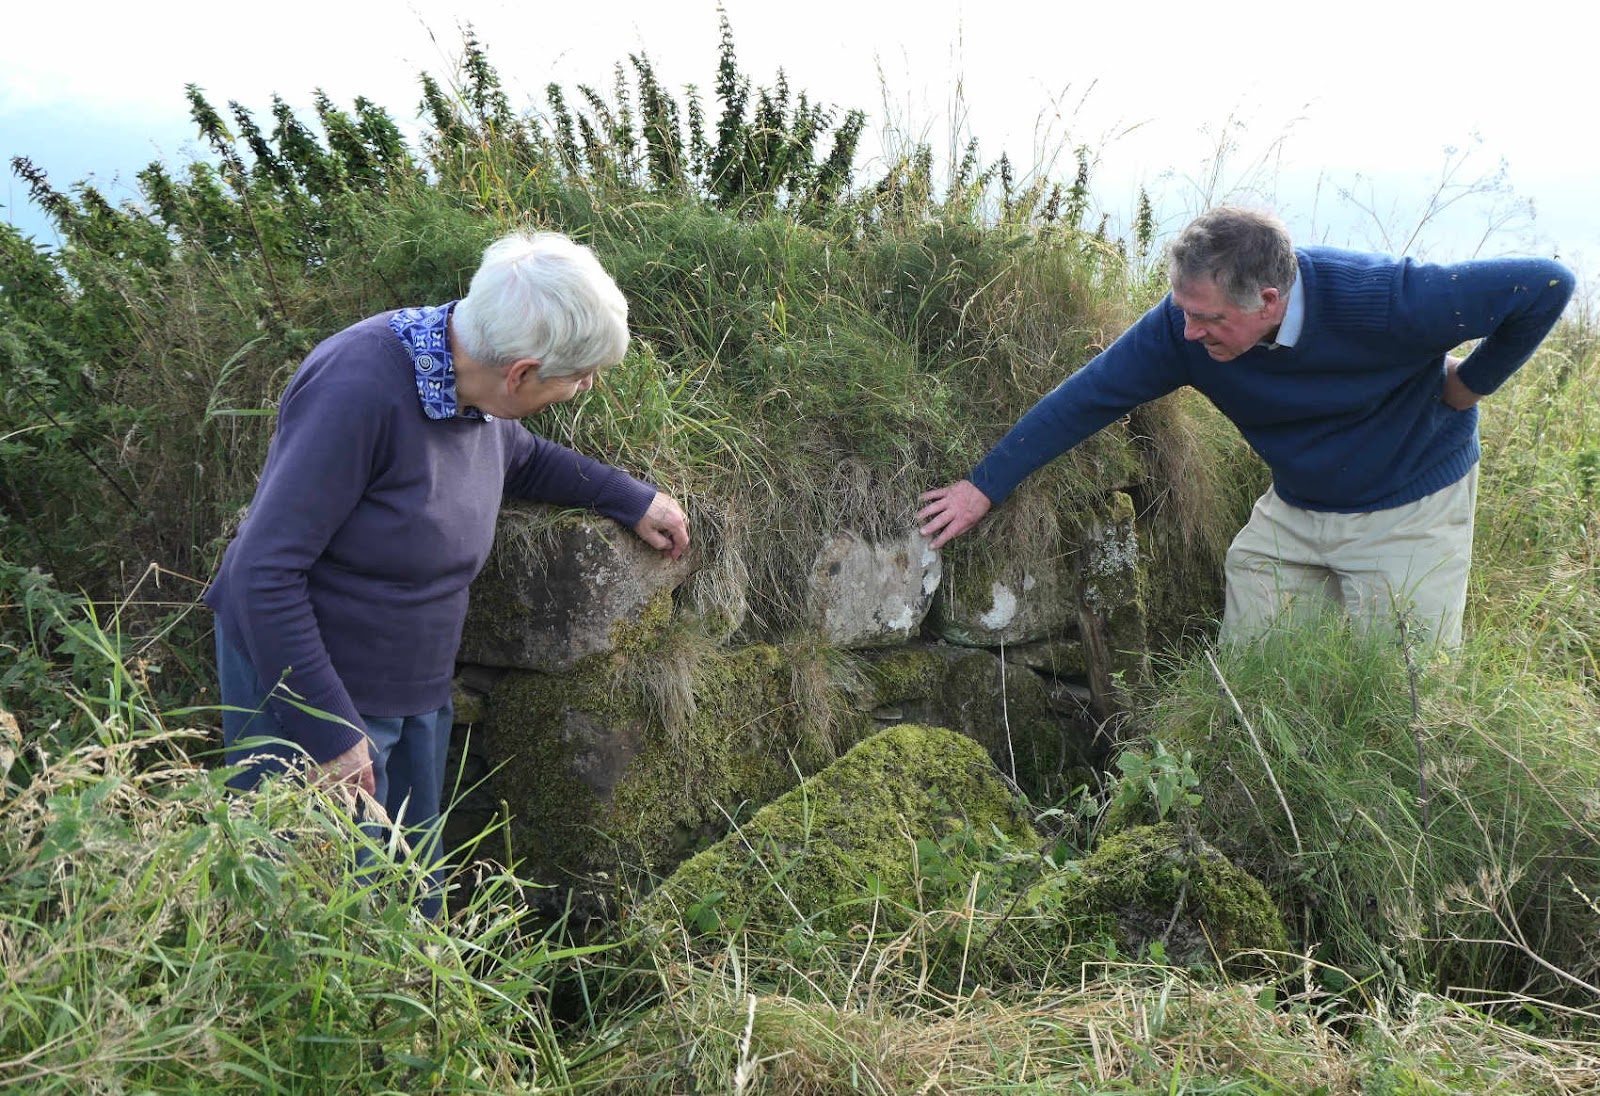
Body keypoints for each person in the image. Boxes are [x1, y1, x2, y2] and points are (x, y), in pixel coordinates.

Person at [205, 231, 688, 910]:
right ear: (519, 373)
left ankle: (416, 1017)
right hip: (312, 687)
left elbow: (516, 455)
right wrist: (329, 732)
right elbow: (261, 572)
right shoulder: (358, 388)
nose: (586, 387)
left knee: (406, 894)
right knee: (308, 908)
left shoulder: (467, 377)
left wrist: (628, 497)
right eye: (576, 376)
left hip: (412, 685)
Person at [918, 206, 1574, 646]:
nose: (1188, 332)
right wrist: (984, 486)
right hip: (1299, 505)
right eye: (1182, 311)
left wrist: (1467, 387)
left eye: (1207, 320)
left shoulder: (1384, 298)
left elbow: (1545, 286)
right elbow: (1087, 398)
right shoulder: (1183, 332)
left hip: (1410, 506)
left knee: (1406, 700)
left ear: (1268, 301)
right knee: (1255, 679)